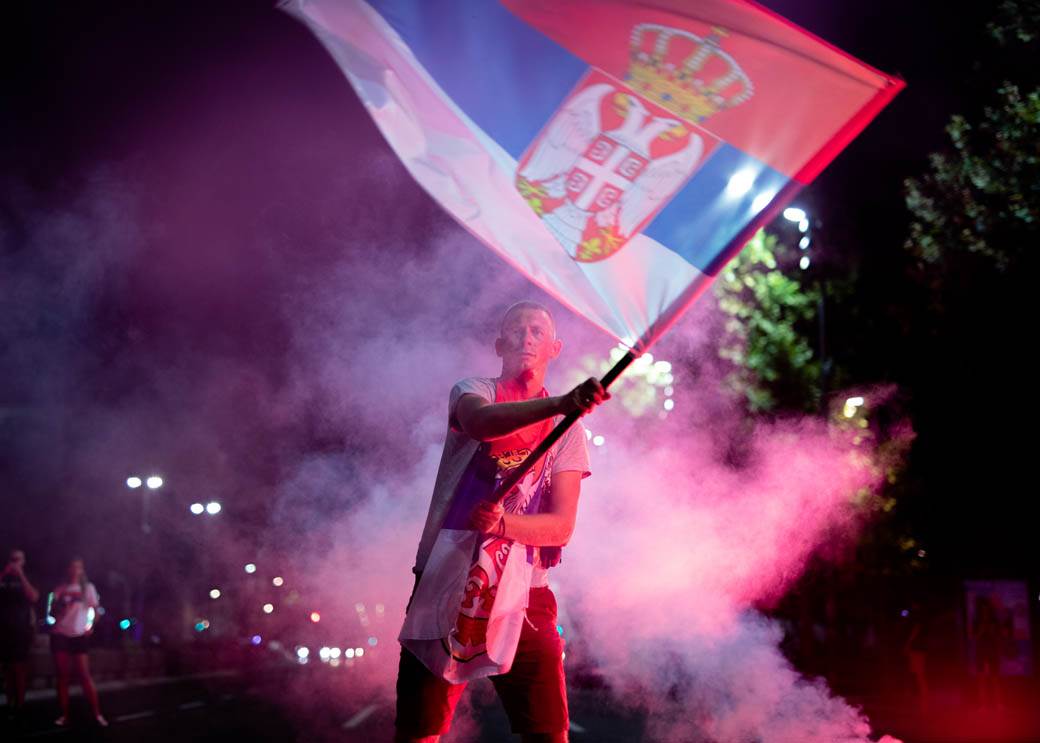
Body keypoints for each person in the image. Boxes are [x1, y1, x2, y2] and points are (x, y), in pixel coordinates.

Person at [395, 301, 609, 743]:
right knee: (420, 733)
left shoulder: (569, 429)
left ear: (555, 346)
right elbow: (480, 423)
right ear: (499, 344)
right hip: (446, 580)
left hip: (526, 595)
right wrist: (562, 403)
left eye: (536, 331)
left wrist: (503, 526)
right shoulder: (474, 390)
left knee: (548, 734)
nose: (526, 338)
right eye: (516, 330)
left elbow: (561, 526)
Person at [49, 558, 106, 727]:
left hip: (79, 635)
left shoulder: (88, 588)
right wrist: (58, 607)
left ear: (82, 570)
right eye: (72, 566)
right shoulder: (60, 589)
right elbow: (52, 613)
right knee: (62, 677)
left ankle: (97, 714)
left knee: (84, 675)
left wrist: (90, 626)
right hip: (60, 634)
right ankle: (64, 715)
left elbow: (96, 611)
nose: (75, 570)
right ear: (68, 569)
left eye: (78, 567)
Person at [1, 549, 40, 718]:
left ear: (23, 561)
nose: (15, 562)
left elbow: (34, 597)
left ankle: (20, 705)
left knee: (19, 668)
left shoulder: (28, 576)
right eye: (12, 559)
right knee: (7, 669)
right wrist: (4, 573)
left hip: (21, 629)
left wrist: (21, 575)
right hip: (4, 629)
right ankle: (10, 704)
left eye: (18, 559)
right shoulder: (4, 577)